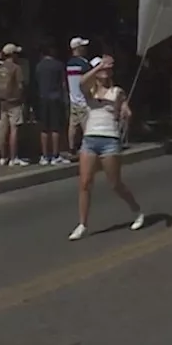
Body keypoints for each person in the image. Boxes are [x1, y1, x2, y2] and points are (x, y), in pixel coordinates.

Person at [69, 56, 145, 241]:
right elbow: (81, 83)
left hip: (110, 140)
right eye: (100, 69)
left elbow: (125, 108)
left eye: (107, 69)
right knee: (85, 183)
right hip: (90, 140)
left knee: (115, 184)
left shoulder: (116, 91)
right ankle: (83, 224)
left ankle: (137, 211)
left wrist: (126, 112)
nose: (104, 71)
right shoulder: (90, 91)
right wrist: (99, 66)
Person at [33, 39, 68, 165]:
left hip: (42, 98)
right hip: (56, 98)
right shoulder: (58, 65)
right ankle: (55, 155)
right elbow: (63, 84)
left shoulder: (39, 66)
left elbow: (36, 83)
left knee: (44, 128)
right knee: (55, 128)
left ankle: (44, 156)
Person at [0, 44, 28, 166]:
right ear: (13, 54)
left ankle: (3, 157)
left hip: (3, 102)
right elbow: (20, 85)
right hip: (15, 102)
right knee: (14, 129)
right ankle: (14, 158)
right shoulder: (16, 68)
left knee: (3, 130)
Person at [66, 36, 93, 155]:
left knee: (73, 125)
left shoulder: (69, 63)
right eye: (83, 46)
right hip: (83, 100)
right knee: (86, 125)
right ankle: (88, 147)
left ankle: (71, 147)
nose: (85, 48)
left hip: (73, 98)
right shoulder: (84, 63)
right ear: (78, 48)